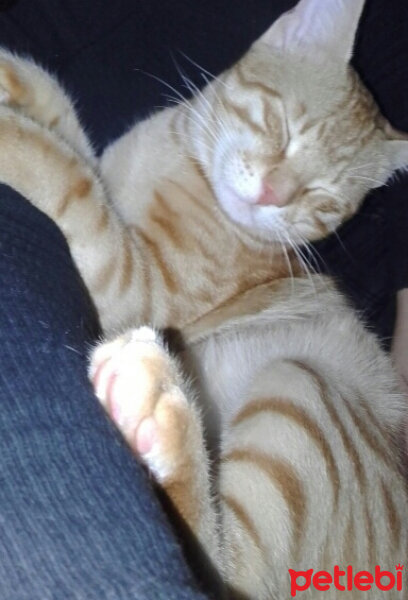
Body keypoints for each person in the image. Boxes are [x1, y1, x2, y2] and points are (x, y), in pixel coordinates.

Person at [0, 1, 406, 598]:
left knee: (304, 391)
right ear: (288, 35)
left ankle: (209, 558)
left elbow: (122, 304)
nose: (274, 191)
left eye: (320, 198)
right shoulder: (196, 133)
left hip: (360, 569)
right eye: (283, 131)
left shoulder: (251, 245)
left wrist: (27, 149)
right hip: (311, 527)